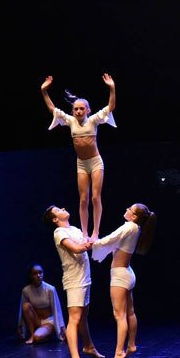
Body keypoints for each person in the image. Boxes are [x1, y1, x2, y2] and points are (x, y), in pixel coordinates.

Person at [41, 73, 117, 241]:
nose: (78, 111)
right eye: (76, 109)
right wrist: (44, 91)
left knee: (95, 197)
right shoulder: (70, 121)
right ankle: (84, 233)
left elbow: (110, 107)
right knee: (83, 200)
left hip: (95, 162)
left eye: (82, 108)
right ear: (73, 111)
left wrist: (112, 88)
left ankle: (95, 232)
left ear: (88, 110)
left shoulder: (93, 120)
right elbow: (53, 109)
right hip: (81, 164)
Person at [91, 203, 157, 358]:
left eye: (130, 209)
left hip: (120, 274)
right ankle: (131, 344)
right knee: (130, 312)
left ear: (134, 216)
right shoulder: (136, 228)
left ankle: (119, 352)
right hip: (128, 272)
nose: (126, 209)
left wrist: (93, 242)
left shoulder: (129, 226)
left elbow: (110, 239)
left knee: (119, 316)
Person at [43, 205, 105, 358]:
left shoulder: (76, 229)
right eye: (58, 210)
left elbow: (85, 244)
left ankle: (89, 346)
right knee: (74, 320)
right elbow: (77, 249)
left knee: (83, 316)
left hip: (85, 278)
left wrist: (95, 241)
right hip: (74, 280)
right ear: (55, 219)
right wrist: (91, 243)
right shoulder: (59, 233)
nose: (63, 208)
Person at [16, 263, 66, 344]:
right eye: (35, 273)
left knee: (38, 337)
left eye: (40, 272)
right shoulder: (26, 290)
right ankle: (32, 335)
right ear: (31, 276)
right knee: (26, 306)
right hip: (37, 321)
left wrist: (62, 328)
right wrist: (19, 326)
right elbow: (22, 311)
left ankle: (43, 335)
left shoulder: (50, 289)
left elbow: (57, 309)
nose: (38, 275)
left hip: (49, 321)